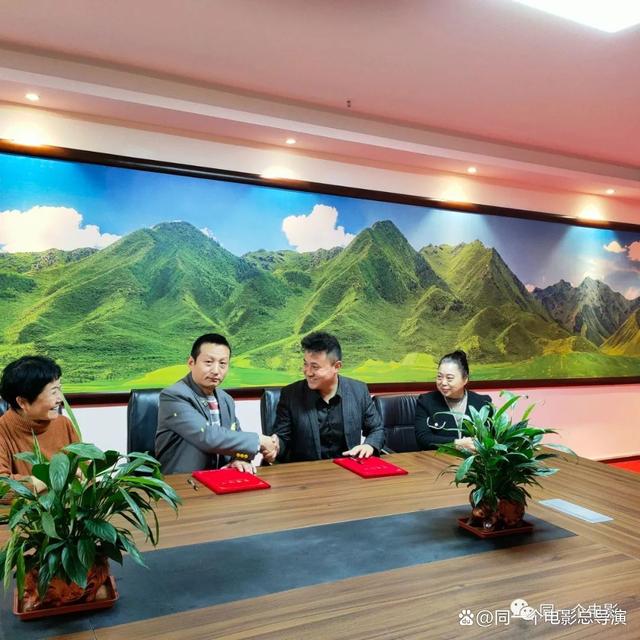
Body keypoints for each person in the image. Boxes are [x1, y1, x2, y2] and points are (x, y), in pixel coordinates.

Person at [155, 333, 278, 474]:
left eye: (222, 364)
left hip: (220, 479)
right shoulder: (173, 396)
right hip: (182, 481)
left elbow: (235, 437)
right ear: (191, 363)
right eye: (208, 362)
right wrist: (260, 441)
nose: (215, 371)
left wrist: (239, 459)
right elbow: (207, 436)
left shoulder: (226, 399)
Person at [273, 331, 384, 462]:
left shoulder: (358, 391)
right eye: (305, 364)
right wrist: (275, 446)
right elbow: (283, 439)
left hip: (348, 468)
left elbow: (376, 429)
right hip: (308, 470)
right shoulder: (290, 394)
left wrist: (369, 445)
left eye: (315, 367)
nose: (308, 372)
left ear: (337, 366)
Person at [0, 355, 79, 492]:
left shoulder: (64, 424)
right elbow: (2, 487)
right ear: (23, 402)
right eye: (53, 392)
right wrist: (53, 478)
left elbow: (85, 472)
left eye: (59, 389)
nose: (60, 398)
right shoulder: (2, 431)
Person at [414, 350, 492, 451]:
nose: (443, 382)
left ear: (465, 379)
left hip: (474, 458)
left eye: (449, 378)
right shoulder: (426, 401)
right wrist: (455, 443)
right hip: (438, 458)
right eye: (439, 377)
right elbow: (423, 438)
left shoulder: (483, 403)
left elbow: (491, 437)